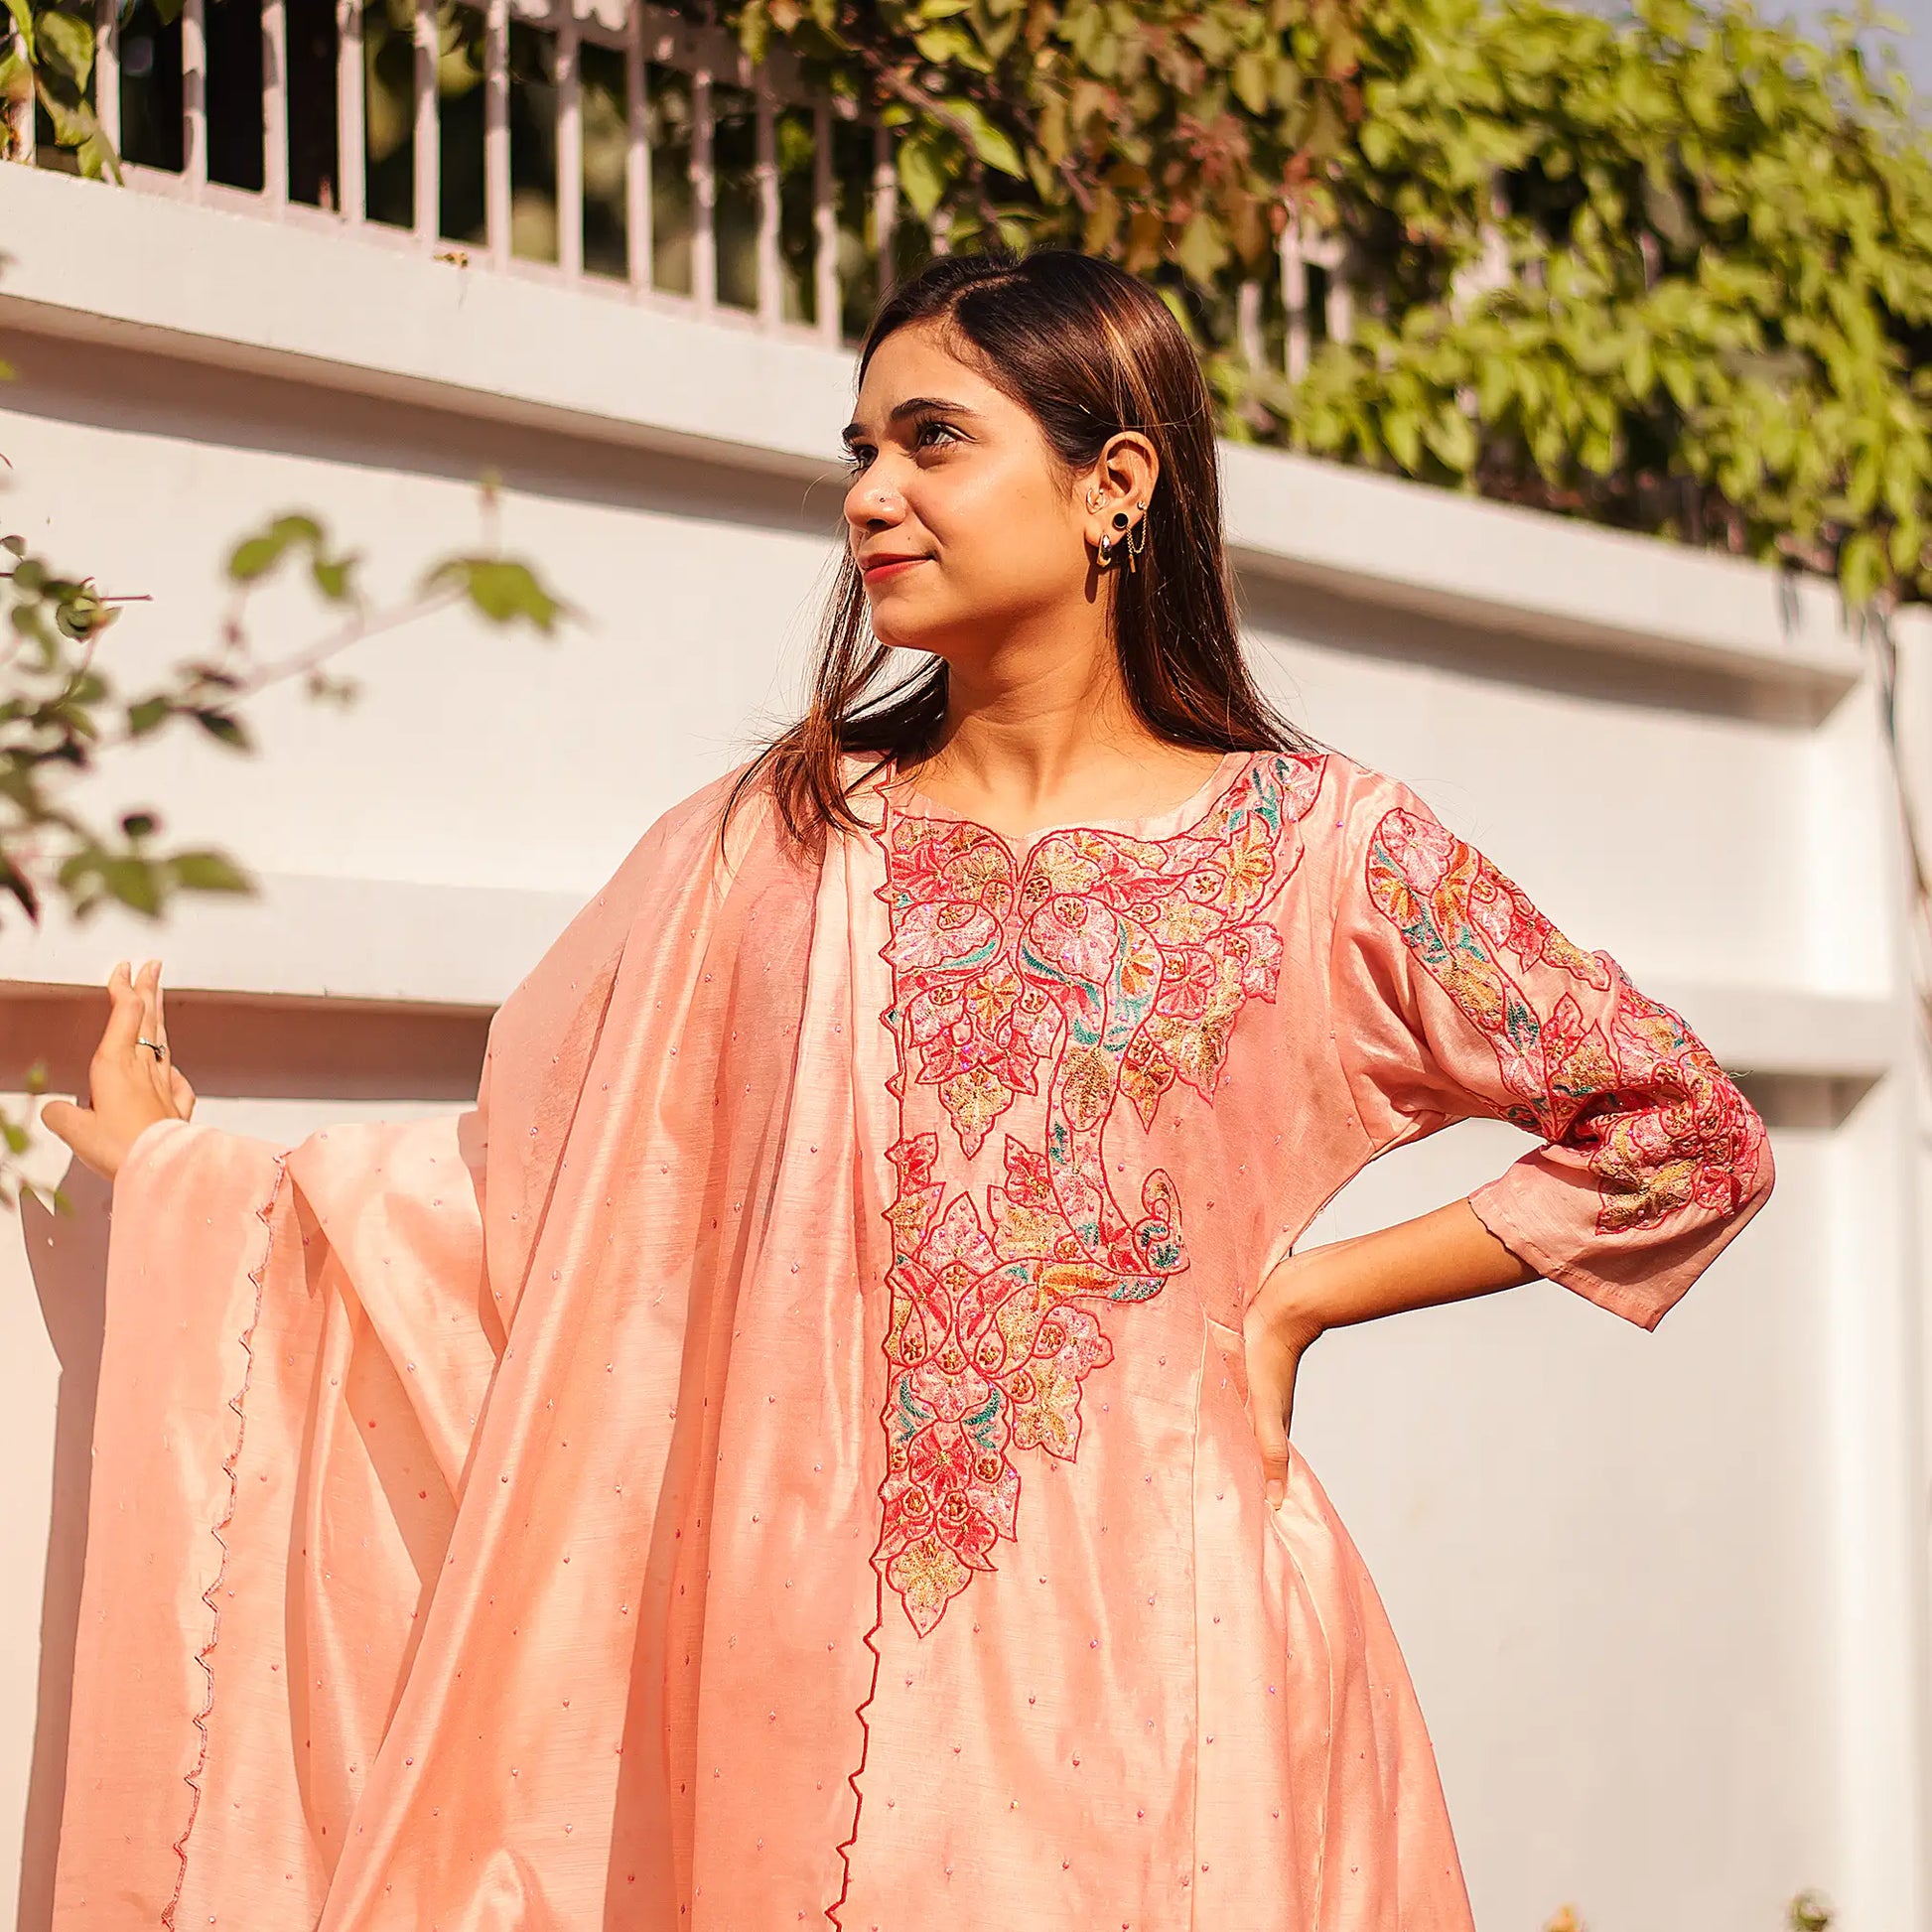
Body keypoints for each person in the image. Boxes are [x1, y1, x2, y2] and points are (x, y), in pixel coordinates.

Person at [41, 248, 1773, 1931]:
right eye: (858, 450)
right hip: (794, 1660)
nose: (872, 493)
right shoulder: (773, 844)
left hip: (1178, 1654)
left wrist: (1305, 1297)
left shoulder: (1325, 854)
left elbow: (1685, 1129)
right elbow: (552, 1226)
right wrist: (199, 1184)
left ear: (1115, 485)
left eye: (931, 440)